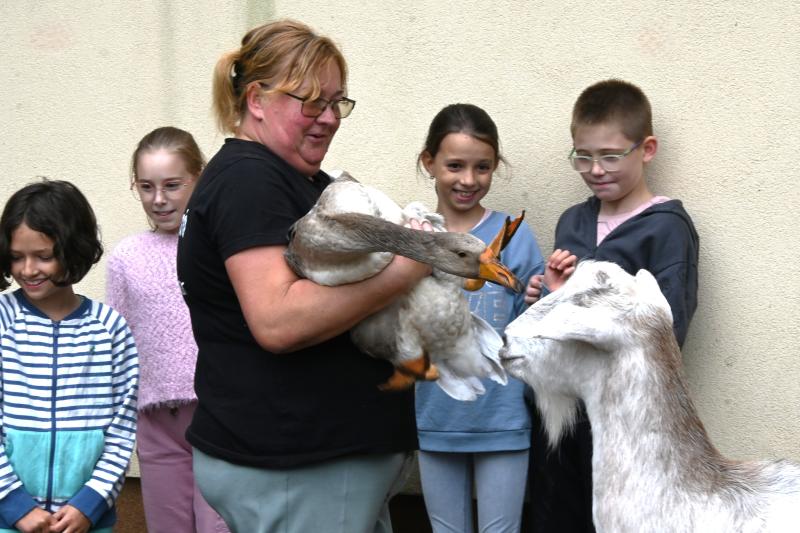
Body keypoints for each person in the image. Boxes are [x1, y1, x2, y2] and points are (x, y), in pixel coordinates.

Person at [175, 19, 432, 533]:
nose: (330, 118)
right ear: (256, 100)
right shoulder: (250, 180)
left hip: (312, 465)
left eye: (338, 102)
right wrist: (404, 268)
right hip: (295, 462)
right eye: (312, 102)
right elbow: (278, 320)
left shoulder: (288, 177)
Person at [524, 79, 700, 532]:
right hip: (560, 418)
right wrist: (549, 296)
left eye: (610, 156)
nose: (595, 169)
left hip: (626, 426)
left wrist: (576, 308)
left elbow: (666, 333)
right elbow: (560, 324)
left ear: (647, 149)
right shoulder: (573, 221)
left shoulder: (667, 231)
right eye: (583, 156)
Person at [414, 103, 545, 533]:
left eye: (482, 167)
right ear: (428, 162)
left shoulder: (514, 233)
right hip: (435, 417)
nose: (468, 180)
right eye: (455, 165)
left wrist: (540, 298)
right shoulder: (413, 234)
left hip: (502, 417)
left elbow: (534, 325)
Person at [105, 127, 228, 533]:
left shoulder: (221, 246)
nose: (159, 199)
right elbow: (118, 346)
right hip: (156, 422)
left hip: (219, 416)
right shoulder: (126, 258)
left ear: (200, 177)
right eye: (146, 186)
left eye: (173, 185)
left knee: (220, 526)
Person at [0, 179, 138, 533]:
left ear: (74, 249)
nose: (28, 270)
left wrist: (91, 503)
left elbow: (122, 430)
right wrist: (12, 504)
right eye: (16, 257)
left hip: (87, 520)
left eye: (43, 256)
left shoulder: (111, 329)